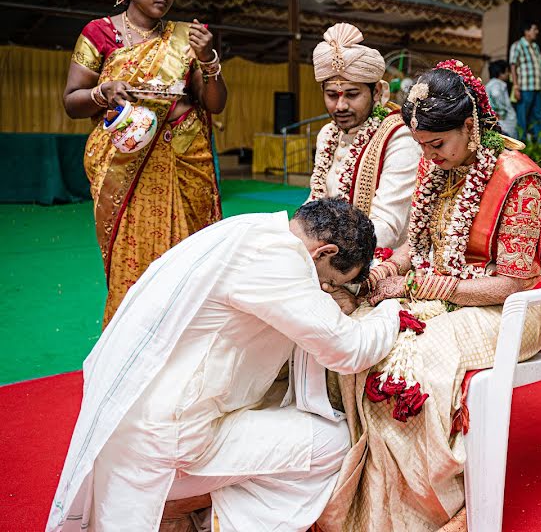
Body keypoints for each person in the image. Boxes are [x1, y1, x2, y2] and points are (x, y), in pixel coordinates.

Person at [47, 198, 402, 532]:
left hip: (130, 424)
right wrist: (392, 311)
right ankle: (194, 507)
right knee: (334, 442)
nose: (324, 289)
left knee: (279, 409)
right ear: (325, 252)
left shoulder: (248, 228)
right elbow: (348, 349)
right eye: (329, 281)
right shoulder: (281, 260)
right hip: (169, 440)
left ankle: (188, 503)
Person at [318, 60, 541, 530]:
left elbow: (511, 282)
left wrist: (422, 286)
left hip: (513, 306)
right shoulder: (439, 169)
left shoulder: (519, 180)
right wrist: (385, 271)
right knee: (357, 331)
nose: (429, 157)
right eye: (422, 147)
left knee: (419, 362)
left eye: (437, 144)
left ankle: (431, 504)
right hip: (444, 290)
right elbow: (420, 245)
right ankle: (368, 490)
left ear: (470, 126)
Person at [63, 0, 226, 327]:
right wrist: (102, 93)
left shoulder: (186, 37)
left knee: (190, 264)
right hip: (127, 164)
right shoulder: (98, 33)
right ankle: (131, 343)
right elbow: (73, 102)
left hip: (183, 161)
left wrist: (208, 61)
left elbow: (213, 104)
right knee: (132, 264)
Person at [309, 23, 420, 249]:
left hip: (381, 260)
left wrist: (323, 247)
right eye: (332, 95)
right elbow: (315, 201)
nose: (340, 105)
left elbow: (386, 228)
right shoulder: (327, 135)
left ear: (377, 91)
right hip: (325, 249)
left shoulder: (400, 138)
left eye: (352, 94)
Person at [509, 20, 541, 143]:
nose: (537, 32)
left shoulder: (535, 47)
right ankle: (521, 145)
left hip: (536, 87)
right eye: (534, 29)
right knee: (522, 117)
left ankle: (540, 145)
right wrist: (515, 86)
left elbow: (539, 69)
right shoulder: (517, 45)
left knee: (538, 116)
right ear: (526, 31)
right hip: (524, 88)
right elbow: (513, 66)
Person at [485, 59, 517, 137]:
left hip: (500, 123)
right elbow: (496, 95)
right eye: (507, 72)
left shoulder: (490, 84)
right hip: (504, 124)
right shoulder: (498, 84)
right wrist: (502, 112)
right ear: (500, 73)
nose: (508, 74)